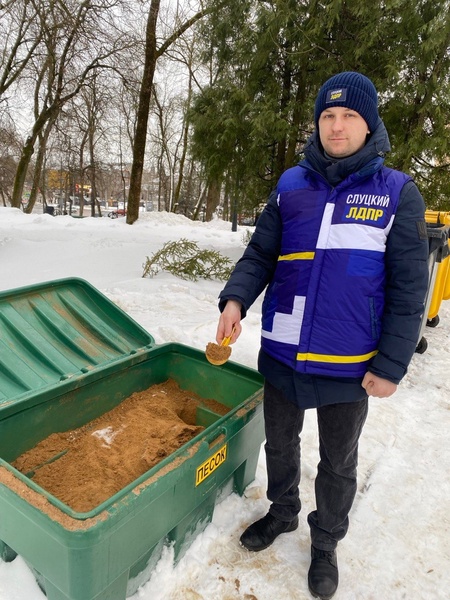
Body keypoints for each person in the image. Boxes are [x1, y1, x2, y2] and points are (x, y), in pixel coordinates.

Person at [215, 71, 429, 600]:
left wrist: (391, 364)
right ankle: (283, 512)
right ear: (317, 123)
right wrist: (236, 299)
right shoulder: (291, 186)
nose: (336, 126)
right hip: (284, 350)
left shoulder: (398, 193)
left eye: (349, 115)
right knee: (279, 444)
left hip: (350, 361)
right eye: (327, 116)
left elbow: (409, 290)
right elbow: (262, 253)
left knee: (338, 461)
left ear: (369, 122)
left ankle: (326, 542)